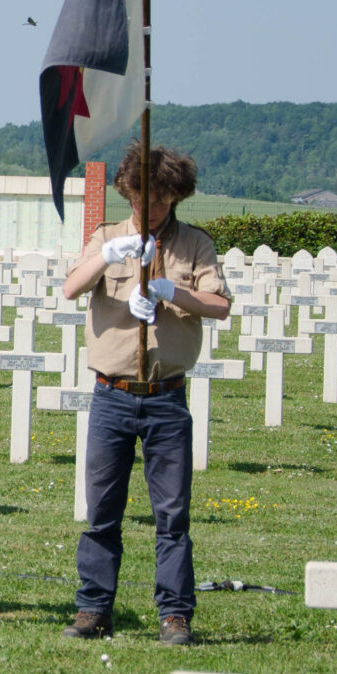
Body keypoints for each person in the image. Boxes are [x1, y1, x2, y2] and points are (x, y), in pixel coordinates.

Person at [58, 141, 232, 646]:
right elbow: (71, 288)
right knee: (102, 511)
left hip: (165, 396)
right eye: (140, 198)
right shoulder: (106, 237)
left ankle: (174, 614)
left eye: (159, 200)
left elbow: (219, 305)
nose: (148, 209)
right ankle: (93, 607)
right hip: (112, 394)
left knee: (172, 515)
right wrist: (108, 257)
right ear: (127, 192)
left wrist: (171, 292)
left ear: (176, 197)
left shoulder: (195, 245)